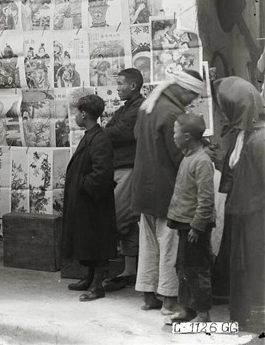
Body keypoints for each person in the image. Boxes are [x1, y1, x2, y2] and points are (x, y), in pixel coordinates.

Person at [129, 69, 206, 317]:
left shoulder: (149, 106)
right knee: (170, 246)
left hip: (143, 187)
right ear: (181, 89)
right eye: (192, 95)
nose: (192, 100)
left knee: (149, 245)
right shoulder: (173, 113)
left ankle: (148, 296)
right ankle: (169, 301)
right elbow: (180, 156)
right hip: (165, 189)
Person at [213, 77, 265, 332]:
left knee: (255, 268)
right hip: (242, 214)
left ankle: (256, 320)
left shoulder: (260, 139)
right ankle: (243, 317)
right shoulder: (242, 134)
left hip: (257, 219)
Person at [62, 94, 117, 301]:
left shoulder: (99, 139)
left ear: (84, 114)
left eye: (77, 112)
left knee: (97, 243)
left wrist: (81, 184)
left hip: (95, 203)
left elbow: (101, 174)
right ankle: (90, 278)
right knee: (88, 242)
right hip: (87, 202)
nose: (75, 115)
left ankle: (97, 286)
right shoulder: (91, 135)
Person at [166, 113, 215, 322]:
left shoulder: (201, 161)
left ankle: (203, 313)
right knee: (183, 267)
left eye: (175, 133)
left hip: (195, 227)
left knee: (197, 270)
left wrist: (197, 226)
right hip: (184, 223)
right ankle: (188, 308)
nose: (173, 137)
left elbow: (206, 199)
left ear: (186, 136)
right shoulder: (188, 157)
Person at [102, 69, 144, 291]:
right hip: (121, 166)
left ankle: (102, 269)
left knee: (118, 219)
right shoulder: (125, 108)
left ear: (133, 86)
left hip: (129, 168)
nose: (117, 87)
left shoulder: (138, 108)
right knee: (127, 224)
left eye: (120, 84)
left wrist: (111, 132)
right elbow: (110, 129)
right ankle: (130, 270)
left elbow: (116, 133)